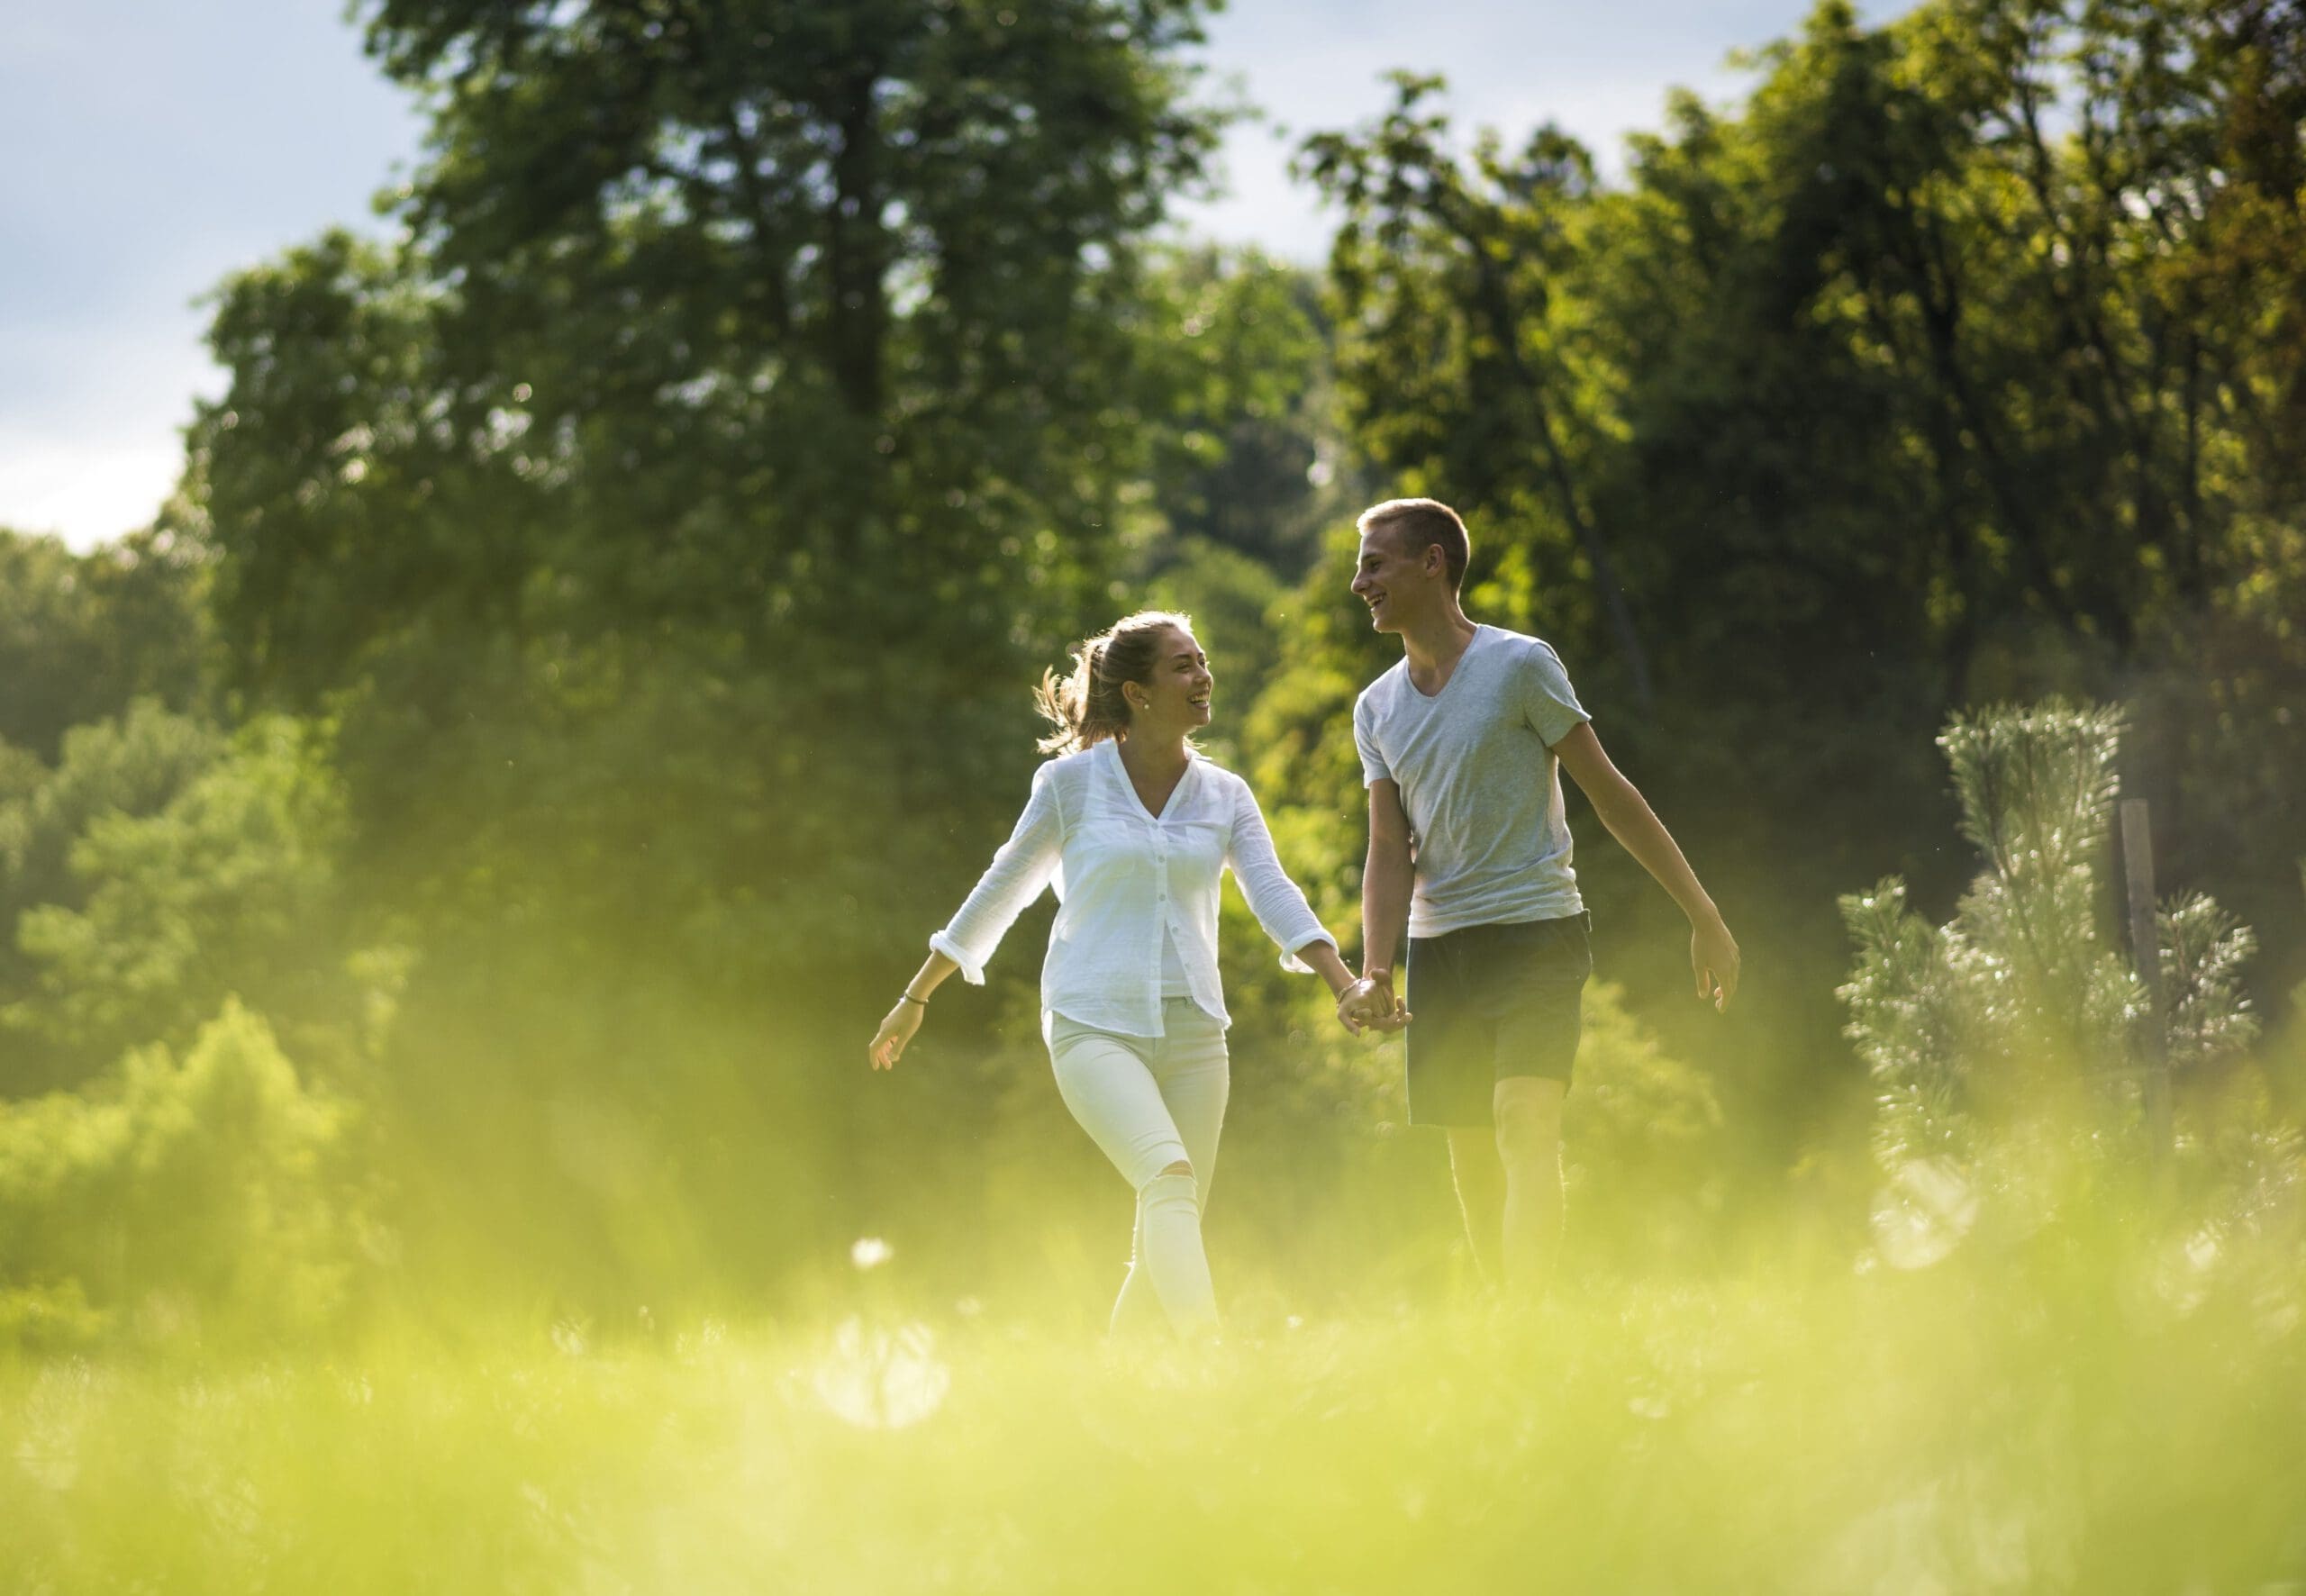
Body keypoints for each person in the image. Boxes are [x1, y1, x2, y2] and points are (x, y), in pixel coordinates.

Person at [868, 611, 1366, 1338]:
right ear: (1137, 692)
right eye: (1183, 667)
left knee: (1167, 1219)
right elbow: (1002, 889)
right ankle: (1212, 1361)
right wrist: (918, 995)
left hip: (1196, 1031)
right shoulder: (1070, 786)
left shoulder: (1225, 794)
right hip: (1093, 1023)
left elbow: (1273, 890)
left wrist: (1342, 983)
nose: (1204, 678)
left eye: (1203, 661)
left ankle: (1117, 1383)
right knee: (1169, 1181)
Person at [1333, 499, 1739, 1299]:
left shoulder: (1520, 665)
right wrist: (1375, 968)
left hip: (1536, 933)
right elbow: (1388, 848)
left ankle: (1530, 1325)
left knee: (1524, 1121)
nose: (1359, 582)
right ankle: (1509, 1325)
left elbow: (1611, 795)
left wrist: (1703, 913)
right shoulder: (1376, 707)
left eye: (1375, 563)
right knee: (1471, 1154)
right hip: (1440, 947)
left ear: (1432, 563)